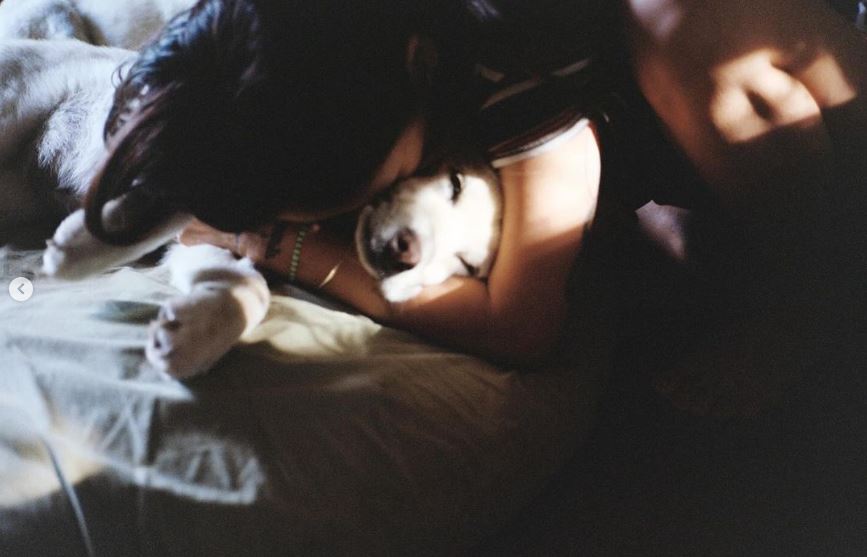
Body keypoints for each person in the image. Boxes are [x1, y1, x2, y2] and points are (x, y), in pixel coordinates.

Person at [85, 0, 867, 414]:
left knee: (685, 19)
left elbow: (520, 325)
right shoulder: (295, 44)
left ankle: (813, 293)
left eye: (366, 187)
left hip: (821, 84)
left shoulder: (512, 61)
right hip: (638, 118)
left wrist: (288, 251)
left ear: (417, 66)